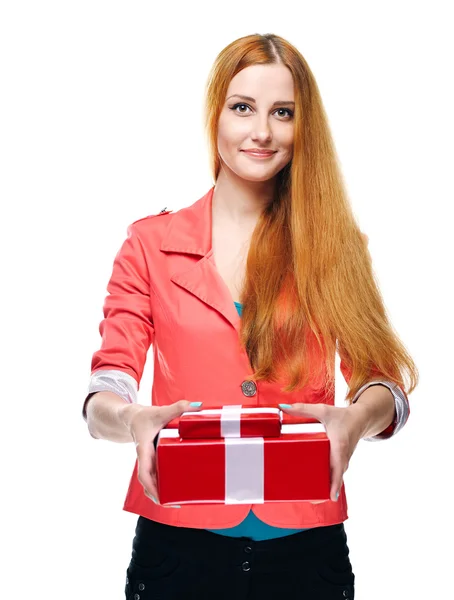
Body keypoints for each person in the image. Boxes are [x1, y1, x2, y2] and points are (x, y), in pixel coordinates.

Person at [82, 33, 418, 600]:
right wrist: (132, 418)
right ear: (216, 114)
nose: (261, 131)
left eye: (282, 113)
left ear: (302, 126)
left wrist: (356, 419)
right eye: (243, 108)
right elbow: (106, 386)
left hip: (306, 550)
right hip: (177, 545)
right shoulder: (149, 244)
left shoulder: (336, 246)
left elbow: (382, 382)